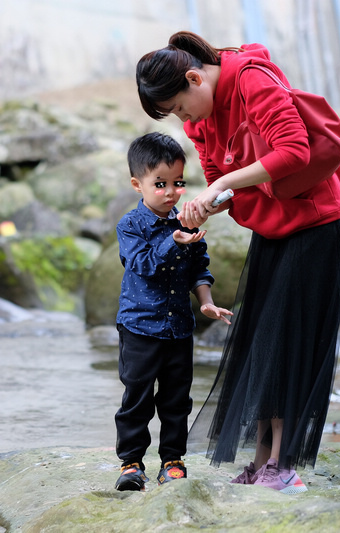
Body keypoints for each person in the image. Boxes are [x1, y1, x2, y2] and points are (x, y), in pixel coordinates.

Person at [135, 31, 340, 494]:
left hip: (312, 224)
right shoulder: (202, 117)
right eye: (172, 114)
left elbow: (295, 151)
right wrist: (205, 204)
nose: (182, 119)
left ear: (195, 77)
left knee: (291, 342)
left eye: (179, 106)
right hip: (272, 228)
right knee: (263, 343)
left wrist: (220, 185)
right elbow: (220, 182)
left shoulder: (251, 79)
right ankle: (261, 463)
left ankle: (283, 465)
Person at [114, 132, 233, 491]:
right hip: (139, 327)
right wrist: (173, 239)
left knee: (177, 398)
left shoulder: (186, 221)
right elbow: (144, 265)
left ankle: (173, 460)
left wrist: (206, 301)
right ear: (138, 184)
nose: (170, 192)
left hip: (179, 328)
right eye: (160, 184)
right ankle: (131, 463)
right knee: (136, 396)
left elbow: (200, 267)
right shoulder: (130, 226)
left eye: (178, 183)